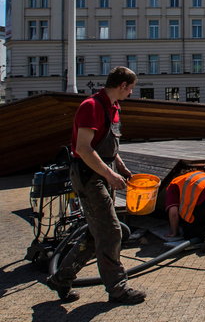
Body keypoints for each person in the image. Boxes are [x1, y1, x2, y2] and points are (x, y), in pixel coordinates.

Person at [46, 66, 146, 304]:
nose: (131, 93)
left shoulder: (114, 107)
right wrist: (110, 175)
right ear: (122, 85)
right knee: (111, 232)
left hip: (102, 174)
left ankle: (61, 278)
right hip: (89, 177)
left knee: (95, 234)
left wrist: (119, 166)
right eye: (130, 88)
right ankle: (118, 288)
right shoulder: (90, 107)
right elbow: (83, 148)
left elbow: (107, 142)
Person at [164, 170, 205, 250]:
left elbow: (173, 213)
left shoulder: (174, 184)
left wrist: (174, 232)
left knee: (189, 232)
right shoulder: (195, 174)